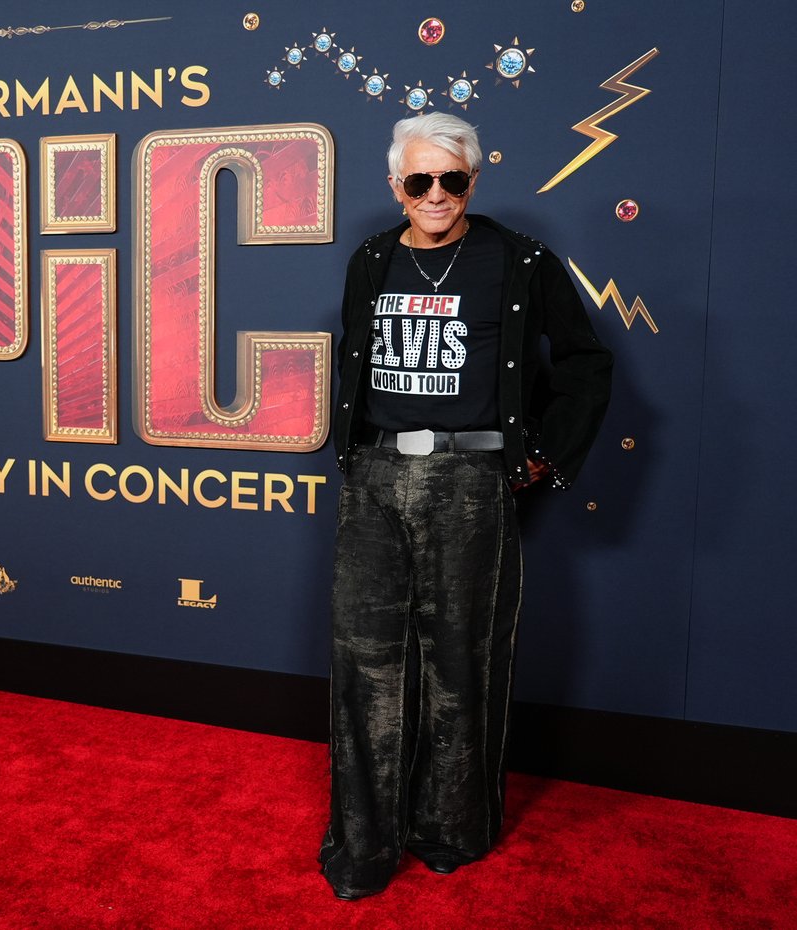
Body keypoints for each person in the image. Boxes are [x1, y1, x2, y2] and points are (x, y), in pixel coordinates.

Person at [319, 112, 613, 900]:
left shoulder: (519, 261)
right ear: (396, 187)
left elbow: (585, 362)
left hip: (470, 483)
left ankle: (450, 828)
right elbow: (354, 361)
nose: (437, 194)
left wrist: (542, 455)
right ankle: (364, 841)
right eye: (420, 181)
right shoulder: (371, 260)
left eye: (452, 179)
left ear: (473, 181)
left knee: (462, 663)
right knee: (366, 665)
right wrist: (354, 457)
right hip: (377, 479)